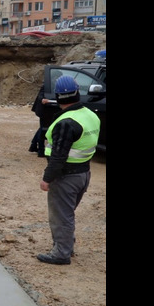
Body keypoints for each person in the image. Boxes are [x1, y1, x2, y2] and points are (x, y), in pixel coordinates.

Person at [35, 75, 100, 265]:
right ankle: (66, 246)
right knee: (67, 213)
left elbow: (59, 156)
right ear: (77, 92)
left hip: (66, 177)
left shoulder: (66, 122)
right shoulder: (90, 114)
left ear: (58, 96)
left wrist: (47, 179)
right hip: (83, 174)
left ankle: (61, 254)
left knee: (61, 216)